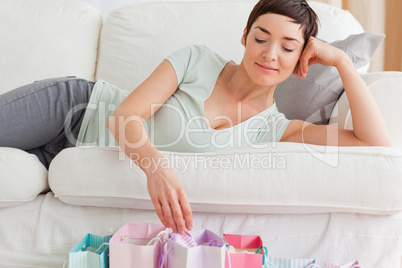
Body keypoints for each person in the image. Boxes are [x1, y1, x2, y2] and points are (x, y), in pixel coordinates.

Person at [0, 0, 392, 236]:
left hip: (63, 162)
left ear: (301, 60)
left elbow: (374, 146)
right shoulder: (197, 60)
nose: (270, 53)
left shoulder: (277, 128)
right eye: (261, 37)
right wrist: (156, 168)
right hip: (69, 110)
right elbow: (125, 116)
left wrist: (341, 62)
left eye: (288, 47)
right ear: (244, 37)